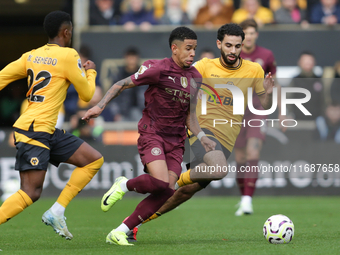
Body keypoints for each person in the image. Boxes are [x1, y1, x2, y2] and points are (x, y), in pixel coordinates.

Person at [127, 22, 275, 242]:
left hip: (226, 140)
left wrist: (268, 93)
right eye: (228, 45)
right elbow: (178, 79)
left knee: (186, 192)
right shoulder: (203, 67)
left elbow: (264, 103)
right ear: (219, 44)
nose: (233, 51)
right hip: (202, 132)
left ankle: (132, 224)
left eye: (237, 46)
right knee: (214, 170)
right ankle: (175, 181)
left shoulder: (254, 70)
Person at [82, 26, 216, 246]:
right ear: (174, 48)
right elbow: (121, 84)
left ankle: (119, 231)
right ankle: (124, 185)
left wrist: (202, 137)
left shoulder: (195, 77)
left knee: (167, 191)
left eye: (195, 49)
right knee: (161, 182)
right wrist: (100, 106)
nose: (193, 53)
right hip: (152, 133)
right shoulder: (157, 69)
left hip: (176, 141)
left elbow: (190, 117)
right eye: (188, 48)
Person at [0, 11, 104, 240]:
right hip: (34, 131)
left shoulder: (31, 55)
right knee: (31, 192)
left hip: (45, 129)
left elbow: (2, 77)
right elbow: (86, 95)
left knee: (93, 160)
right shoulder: (68, 55)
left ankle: (57, 211)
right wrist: (91, 71)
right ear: (66, 32)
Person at [289, 51, 324, 121]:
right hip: (298, 120)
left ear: (314, 63)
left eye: (310, 61)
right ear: (299, 62)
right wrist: (290, 114)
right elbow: (288, 99)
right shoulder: (294, 81)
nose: (308, 63)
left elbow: (324, 99)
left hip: (317, 120)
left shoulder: (319, 80)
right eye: (305, 61)